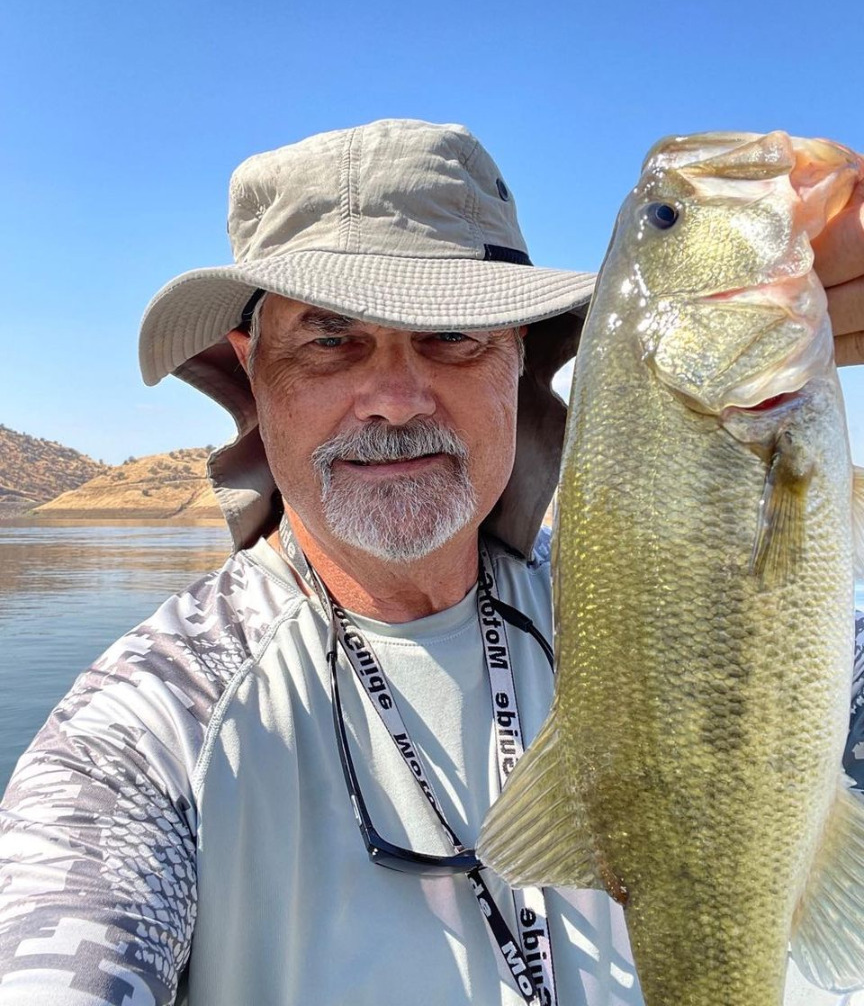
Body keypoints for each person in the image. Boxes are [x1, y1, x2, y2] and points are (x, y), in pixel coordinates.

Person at [0, 118, 862, 1006]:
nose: (397, 398)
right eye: (331, 340)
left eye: (454, 337)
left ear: (519, 361)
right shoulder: (145, 735)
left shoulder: (657, 603)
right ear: (253, 373)